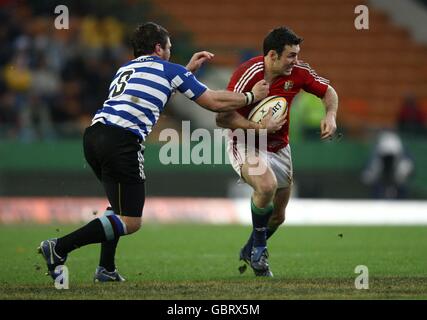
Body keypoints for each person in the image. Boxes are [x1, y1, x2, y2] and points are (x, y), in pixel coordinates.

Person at [38, 22, 269, 282]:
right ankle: (59, 247)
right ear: (158, 48)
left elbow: (154, 94)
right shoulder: (169, 69)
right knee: (131, 221)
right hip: (122, 140)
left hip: (94, 135)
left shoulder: (125, 68)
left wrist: (186, 73)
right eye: (168, 47)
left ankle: (106, 269)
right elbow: (214, 102)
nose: (170, 52)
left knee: (118, 205)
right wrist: (251, 96)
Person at [216, 26, 338, 277]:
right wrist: (258, 127)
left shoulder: (299, 72)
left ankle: (250, 248)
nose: (296, 61)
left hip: (280, 147)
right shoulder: (247, 74)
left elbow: (328, 91)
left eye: (297, 54)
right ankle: (260, 252)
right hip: (246, 142)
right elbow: (222, 118)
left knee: (278, 216)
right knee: (266, 185)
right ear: (272, 55)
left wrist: (331, 115)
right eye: (291, 55)